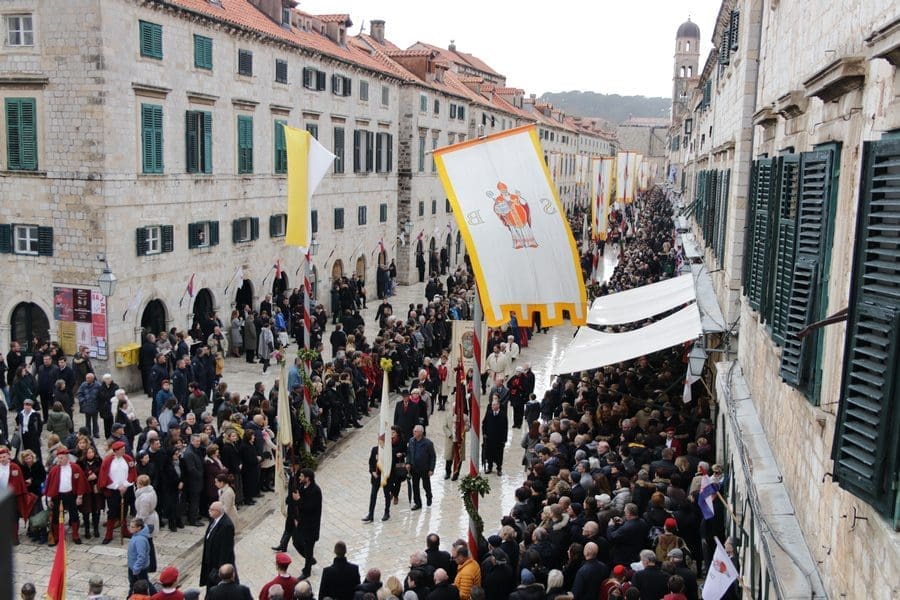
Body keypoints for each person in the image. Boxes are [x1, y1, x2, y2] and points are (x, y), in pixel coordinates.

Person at [44, 447, 89, 545]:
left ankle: (75, 535)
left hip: (71, 494)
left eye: (62, 458)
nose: (60, 460)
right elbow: (50, 485)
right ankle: (56, 536)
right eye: (59, 458)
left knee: (74, 514)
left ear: (67, 458)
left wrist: (79, 496)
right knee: (56, 516)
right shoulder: (54, 470)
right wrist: (49, 498)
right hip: (58, 496)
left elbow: (80, 482)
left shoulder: (75, 468)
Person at [99, 439, 138, 543]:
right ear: (116, 451)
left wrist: (125, 485)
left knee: (124, 510)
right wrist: (117, 486)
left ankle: (124, 530)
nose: (124, 451)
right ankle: (109, 534)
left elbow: (132, 472)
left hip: (125, 489)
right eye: (122, 449)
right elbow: (104, 476)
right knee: (112, 512)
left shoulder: (128, 459)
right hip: (113, 491)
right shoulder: (108, 461)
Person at [292, 468, 323, 579]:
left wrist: (298, 499)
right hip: (302, 523)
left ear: (307, 478)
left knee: (309, 547)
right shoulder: (301, 487)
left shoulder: (315, 491)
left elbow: (309, 508)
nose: (299, 478)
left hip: (311, 525)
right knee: (296, 541)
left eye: (301, 476)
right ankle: (310, 559)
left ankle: (307, 570)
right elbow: (298, 506)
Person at [0, 446, 34, 545]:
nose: (2, 459)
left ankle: (15, 537)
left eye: (4, 457)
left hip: (12, 497)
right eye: (0, 457)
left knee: (13, 517)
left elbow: (19, 482)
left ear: (8, 456)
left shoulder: (14, 467)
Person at [200, 502, 236, 588]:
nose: (209, 511)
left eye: (212, 510)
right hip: (210, 560)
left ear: (218, 511)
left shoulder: (226, 525)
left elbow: (225, 549)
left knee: (214, 586)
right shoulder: (214, 519)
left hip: (217, 564)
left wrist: (220, 569)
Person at [134, 474, 160, 574]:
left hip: (147, 521)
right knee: (149, 543)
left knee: (146, 544)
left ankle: (149, 565)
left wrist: (137, 525)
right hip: (151, 518)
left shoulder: (144, 497)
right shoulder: (150, 491)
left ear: (140, 484)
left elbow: (143, 514)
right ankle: (151, 565)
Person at [406, 425, 435, 510]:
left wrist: (431, 469)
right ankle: (417, 503)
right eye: (414, 431)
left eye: (416, 431)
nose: (414, 432)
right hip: (414, 468)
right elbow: (408, 453)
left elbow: (433, 457)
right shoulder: (411, 441)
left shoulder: (428, 443)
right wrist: (408, 462)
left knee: (426, 485)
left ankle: (429, 496)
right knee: (415, 486)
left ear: (421, 433)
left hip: (424, 469)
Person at [481, 398, 508, 475]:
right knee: (489, 453)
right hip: (490, 438)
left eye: (494, 405)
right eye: (492, 405)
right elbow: (484, 424)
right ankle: (490, 467)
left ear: (498, 405)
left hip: (499, 439)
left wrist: (504, 439)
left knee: (499, 454)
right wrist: (484, 433)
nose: (492, 406)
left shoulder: (503, 415)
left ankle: (499, 468)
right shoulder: (489, 413)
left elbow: (505, 428)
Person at [127, 518, 153, 594]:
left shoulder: (140, 540)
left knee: (139, 585)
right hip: (134, 566)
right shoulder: (136, 535)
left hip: (138, 569)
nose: (130, 528)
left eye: (132, 527)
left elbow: (141, 556)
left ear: (139, 528)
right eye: (130, 526)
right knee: (138, 584)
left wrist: (136, 568)